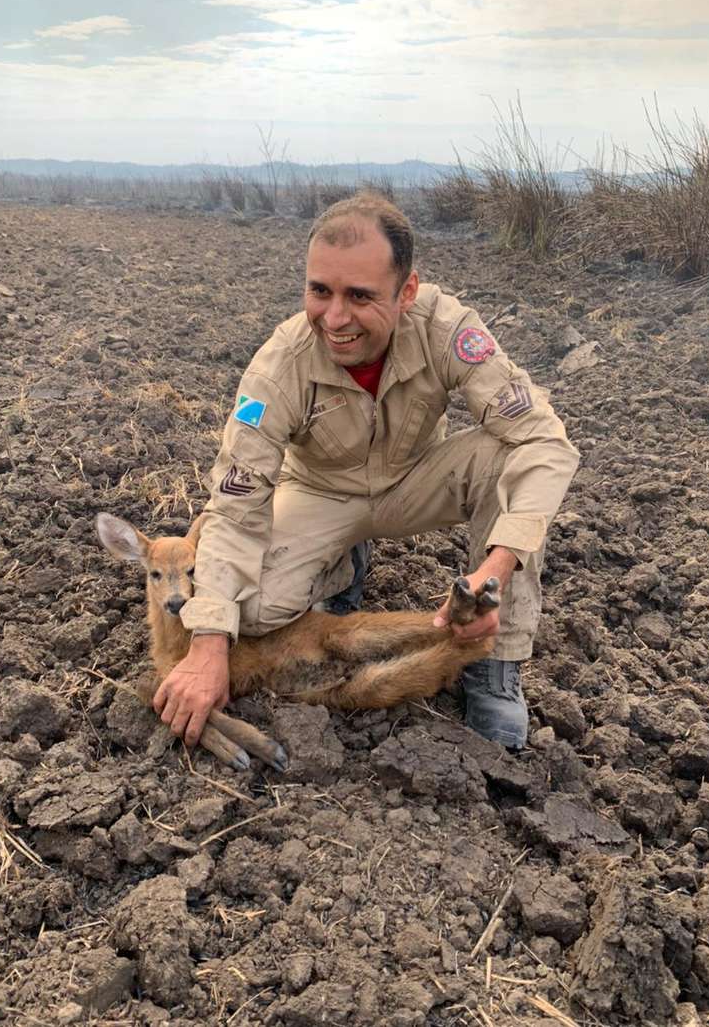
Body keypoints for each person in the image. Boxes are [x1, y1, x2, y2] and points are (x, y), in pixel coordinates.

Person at [152, 194, 579, 751]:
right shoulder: (280, 366)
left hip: (417, 479)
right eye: (319, 291)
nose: (334, 317)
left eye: (359, 296)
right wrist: (208, 646)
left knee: (509, 458)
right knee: (248, 609)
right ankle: (338, 568)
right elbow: (234, 508)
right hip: (321, 491)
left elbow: (543, 439)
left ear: (406, 293)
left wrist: (494, 571)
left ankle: (494, 663)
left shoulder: (445, 328)